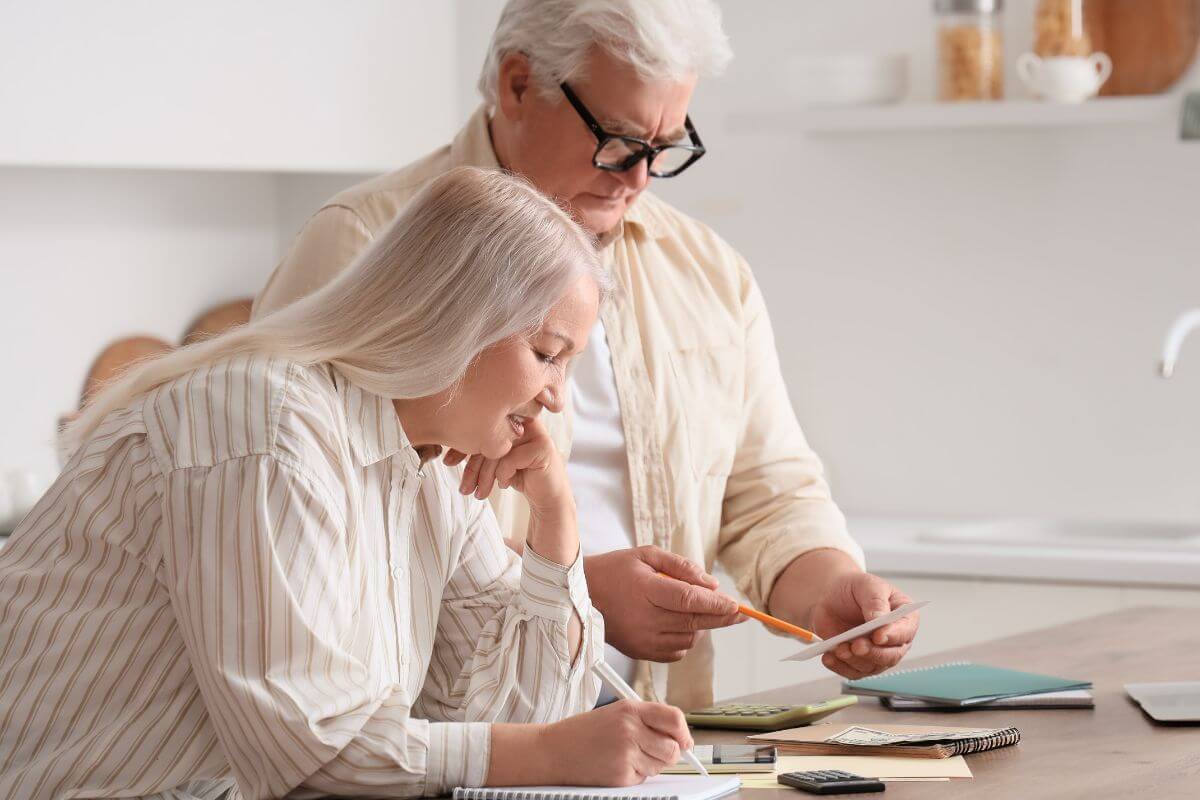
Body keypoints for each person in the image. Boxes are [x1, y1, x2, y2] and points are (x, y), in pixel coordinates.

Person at [255, 0, 920, 710]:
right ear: (517, 85)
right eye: (620, 140)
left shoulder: (708, 273)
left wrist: (828, 589)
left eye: (666, 147)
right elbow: (304, 522)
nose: (640, 178)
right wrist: (576, 586)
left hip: (652, 736)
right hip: (434, 738)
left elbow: (769, 494)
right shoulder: (366, 244)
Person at [0, 168, 695, 800]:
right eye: (547, 355)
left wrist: (555, 511)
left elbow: (516, 712)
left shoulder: (434, 465)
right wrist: (542, 754)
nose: (555, 398)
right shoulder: (265, 425)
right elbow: (307, 753)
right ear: (457, 317)